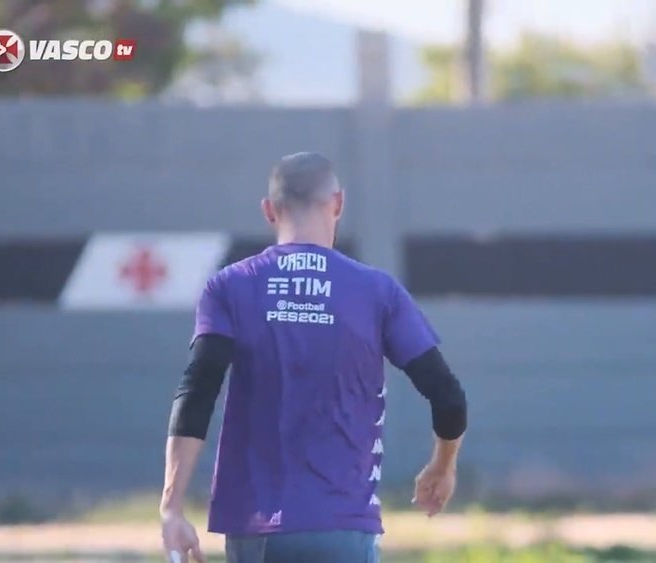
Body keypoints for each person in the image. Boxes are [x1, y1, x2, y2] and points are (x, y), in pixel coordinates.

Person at [159, 152, 468, 563]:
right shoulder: (377, 292)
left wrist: (172, 507)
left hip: (257, 530)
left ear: (269, 210)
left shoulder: (230, 286)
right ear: (338, 203)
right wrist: (442, 466)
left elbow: (196, 391)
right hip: (344, 526)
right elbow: (447, 396)